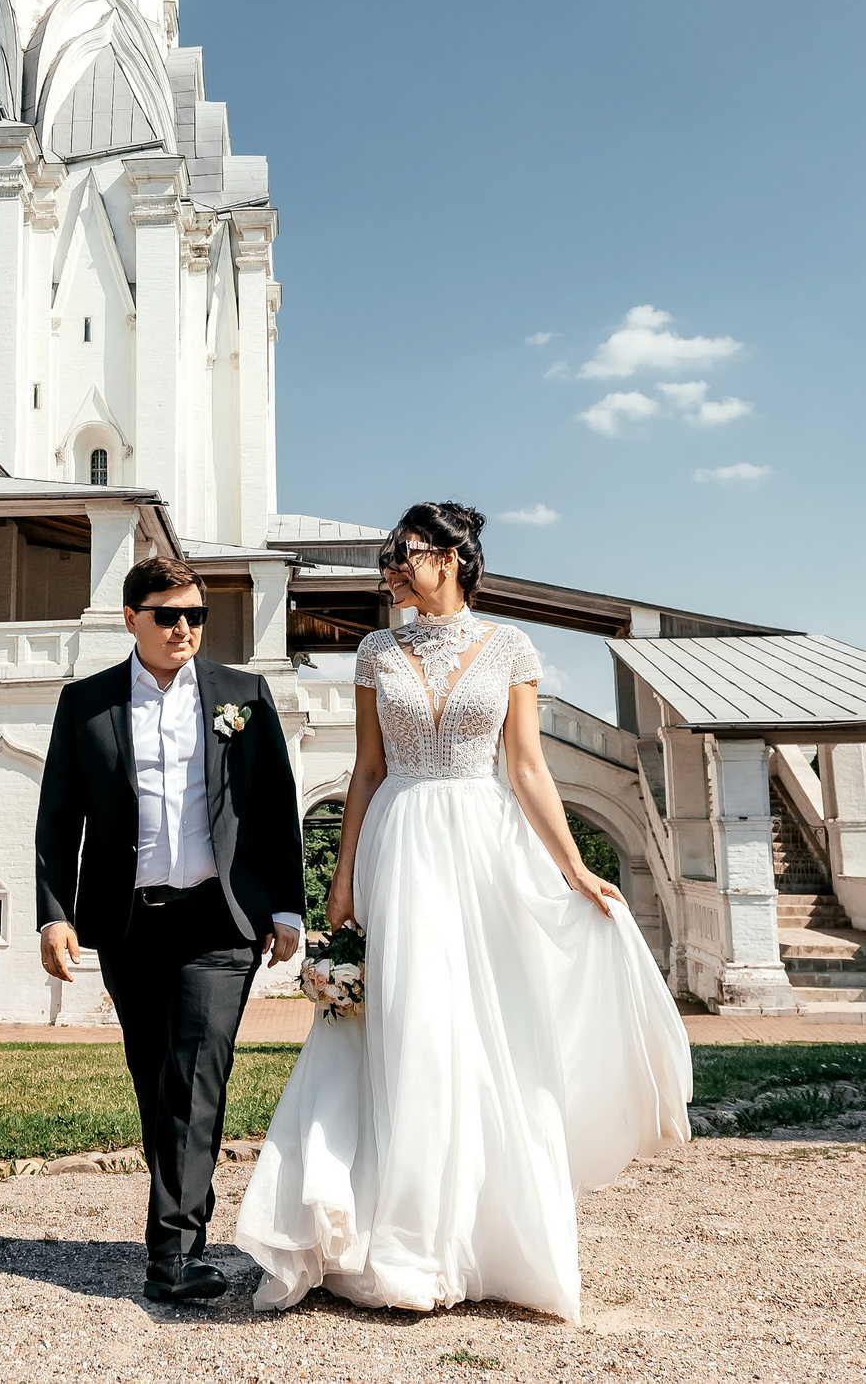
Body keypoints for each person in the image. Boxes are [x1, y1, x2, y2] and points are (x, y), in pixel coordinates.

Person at [236, 502, 693, 1323]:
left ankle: (496, 1246)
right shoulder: (376, 651)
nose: (390, 568)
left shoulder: (511, 647)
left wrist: (578, 869)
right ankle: (401, 1247)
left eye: (402, 554)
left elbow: (527, 769)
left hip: (485, 847)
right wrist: (341, 880)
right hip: (401, 841)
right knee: (406, 1029)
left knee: (491, 1031)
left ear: (450, 557)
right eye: (388, 555)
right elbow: (366, 772)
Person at [34, 553, 306, 1302]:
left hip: (218, 922)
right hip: (127, 923)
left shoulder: (241, 696)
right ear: (132, 620)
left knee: (195, 1076)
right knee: (156, 1079)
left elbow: (274, 807)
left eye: (195, 616)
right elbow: (58, 819)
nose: (185, 628)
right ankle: (177, 1220)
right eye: (168, 615)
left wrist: (286, 907)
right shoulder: (85, 703)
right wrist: (55, 915)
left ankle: (175, 1256)